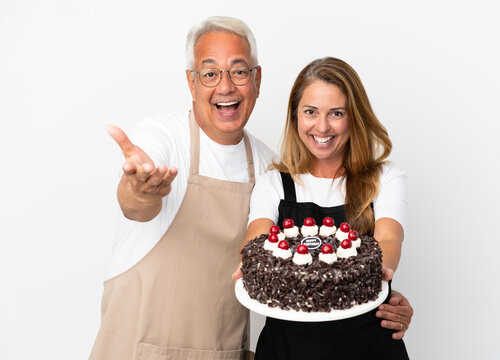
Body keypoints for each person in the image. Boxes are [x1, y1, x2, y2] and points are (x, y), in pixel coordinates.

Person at [90, 16, 412, 360]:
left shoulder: (264, 162)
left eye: (239, 72)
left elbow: (387, 243)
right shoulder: (165, 138)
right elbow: (139, 205)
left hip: (226, 347)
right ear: (192, 81)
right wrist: (141, 189)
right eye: (210, 72)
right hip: (143, 341)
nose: (225, 85)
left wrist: (379, 288)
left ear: (256, 80)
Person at [235, 57, 410, 359]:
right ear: (295, 117)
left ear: (354, 117)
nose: (322, 126)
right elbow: (257, 239)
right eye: (310, 112)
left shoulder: (384, 179)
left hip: (368, 348)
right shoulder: (274, 182)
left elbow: (390, 239)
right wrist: (249, 263)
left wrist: (377, 273)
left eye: (336, 113)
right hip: (286, 350)